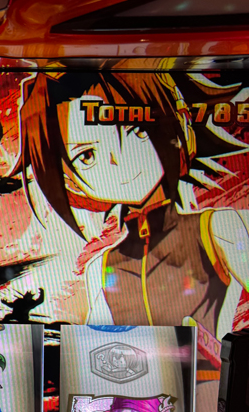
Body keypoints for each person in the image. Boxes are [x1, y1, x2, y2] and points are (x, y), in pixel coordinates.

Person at [15, 69, 249, 340]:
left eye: (136, 130)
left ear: (180, 126)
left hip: (210, 367)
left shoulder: (218, 228)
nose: (118, 161)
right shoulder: (100, 268)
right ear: (71, 181)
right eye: (87, 155)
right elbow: (91, 346)